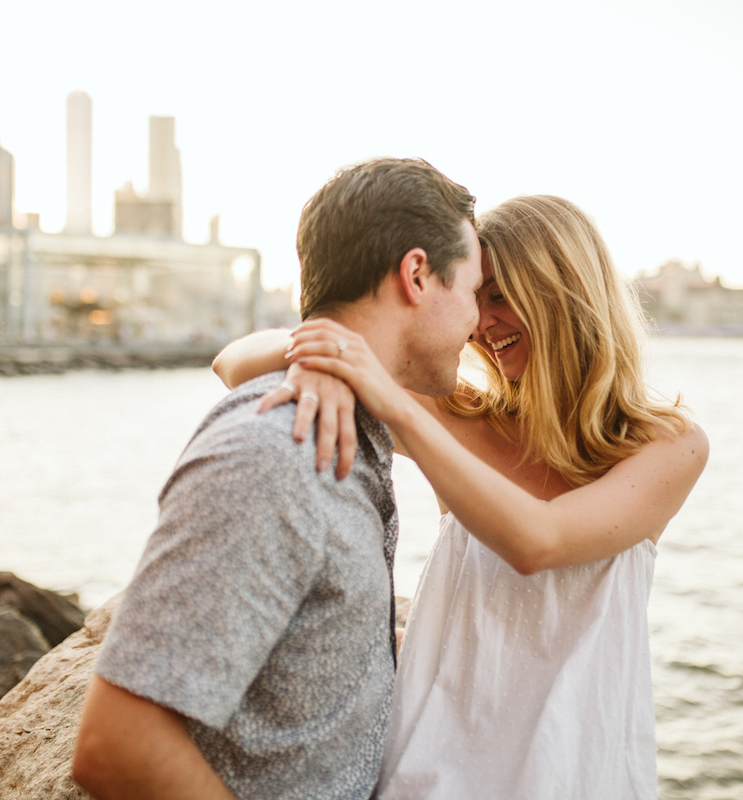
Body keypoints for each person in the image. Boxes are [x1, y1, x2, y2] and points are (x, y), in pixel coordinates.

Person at [217, 195, 708, 799]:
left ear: (563, 291)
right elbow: (233, 363)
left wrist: (393, 400)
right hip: (426, 772)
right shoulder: (461, 419)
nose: (479, 321)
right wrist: (321, 359)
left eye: (500, 295)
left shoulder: (667, 447)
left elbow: (537, 540)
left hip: (574, 771)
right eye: (476, 296)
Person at [71, 157, 482, 800]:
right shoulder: (276, 455)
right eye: (474, 291)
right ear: (418, 275)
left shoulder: (350, 427)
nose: (477, 319)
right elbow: (115, 745)